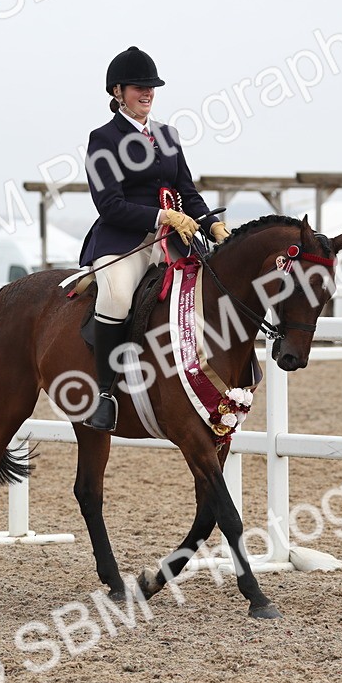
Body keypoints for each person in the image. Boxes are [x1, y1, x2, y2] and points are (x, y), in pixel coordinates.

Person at [79, 46, 230, 432]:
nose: (147, 93)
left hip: (172, 240)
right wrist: (163, 215)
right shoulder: (103, 139)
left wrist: (212, 224)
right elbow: (108, 205)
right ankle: (105, 393)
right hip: (123, 242)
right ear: (117, 92)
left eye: (151, 87)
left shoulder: (167, 135)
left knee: (214, 283)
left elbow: (187, 189)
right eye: (138, 87)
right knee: (115, 297)